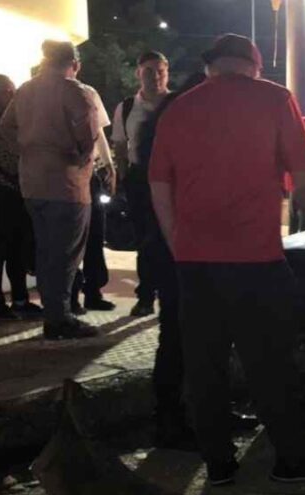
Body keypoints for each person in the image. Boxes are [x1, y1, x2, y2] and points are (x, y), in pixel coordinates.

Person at [148, 34, 305, 484]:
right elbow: (303, 175)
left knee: (204, 367)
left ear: (212, 67)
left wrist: (177, 243)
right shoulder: (275, 99)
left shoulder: (178, 109)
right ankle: (292, 460)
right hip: (256, 260)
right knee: (271, 363)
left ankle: (218, 464)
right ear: (254, 66)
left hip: (195, 264)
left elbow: (160, 185)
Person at [1, 40, 100, 340]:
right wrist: (79, 156)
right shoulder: (74, 91)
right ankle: (59, 318)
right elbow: (89, 136)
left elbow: (6, 127)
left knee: (45, 252)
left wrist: (25, 151)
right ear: (74, 63)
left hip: (32, 183)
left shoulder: (26, 90)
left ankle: (53, 313)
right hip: (67, 184)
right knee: (66, 255)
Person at [134, 71, 207, 449]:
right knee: (180, 334)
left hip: (174, 245)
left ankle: (194, 413)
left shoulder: (164, 125)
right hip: (178, 245)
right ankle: (170, 421)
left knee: (193, 334)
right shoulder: (182, 129)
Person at [0, 74, 43, 321]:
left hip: (14, 190)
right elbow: (9, 152)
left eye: (13, 90)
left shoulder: (12, 117)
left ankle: (21, 299)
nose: (12, 95)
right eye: (6, 91)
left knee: (18, 245)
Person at [113, 52, 171, 318]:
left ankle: (172, 297)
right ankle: (146, 296)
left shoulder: (178, 103)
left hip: (174, 181)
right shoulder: (126, 108)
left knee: (171, 238)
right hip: (140, 180)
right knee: (146, 241)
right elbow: (121, 149)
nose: (155, 76)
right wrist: (123, 182)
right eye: (149, 71)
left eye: (160, 71)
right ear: (138, 73)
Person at [70, 83, 116, 314]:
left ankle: (92, 291)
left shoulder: (88, 92)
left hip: (89, 172)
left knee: (94, 233)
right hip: (68, 173)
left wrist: (108, 164)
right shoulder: (39, 93)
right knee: (72, 237)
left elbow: (98, 133)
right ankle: (72, 295)